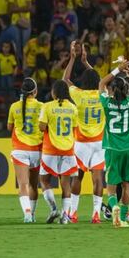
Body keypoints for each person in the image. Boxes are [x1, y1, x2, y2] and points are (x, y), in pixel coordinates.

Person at [63, 42, 105, 224]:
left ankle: (73, 212)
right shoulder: (103, 95)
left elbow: (65, 80)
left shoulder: (79, 95)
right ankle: (96, 213)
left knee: (77, 177)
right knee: (98, 179)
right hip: (99, 142)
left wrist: (73, 59)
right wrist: (86, 62)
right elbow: (103, 80)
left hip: (81, 143)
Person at [98, 60, 129, 228]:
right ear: (126, 90)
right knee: (127, 184)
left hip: (112, 148)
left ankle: (114, 206)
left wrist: (118, 69)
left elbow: (102, 82)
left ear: (113, 90)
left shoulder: (106, 103)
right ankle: (122, 218)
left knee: (111, 184)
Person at [38, 79, 78, 224]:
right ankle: (65, 216)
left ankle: (54, 208)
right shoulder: (73, 108)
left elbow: (42, 127)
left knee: (44, 180)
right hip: (67, 149)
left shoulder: (47, 106)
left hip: (50, 149)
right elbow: (74, 128)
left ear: (54, 92)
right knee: (65, 183)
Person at [6, 77, 43, 223]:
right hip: (38, 149)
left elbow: (9, 127)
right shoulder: (42, 106)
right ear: (35, 91)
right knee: (34, 185)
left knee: (23, 184)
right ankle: (32, 214)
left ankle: (27, 213)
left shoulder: (14, 106)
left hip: (20, 148)